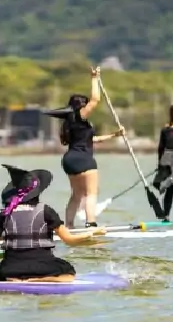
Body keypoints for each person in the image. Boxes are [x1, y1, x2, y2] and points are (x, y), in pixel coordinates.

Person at [0, 164, 104, 282]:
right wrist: (90, 234)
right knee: (69, 274)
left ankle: (17, 279)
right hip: (42, 264)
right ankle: (37, 279)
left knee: (1, 276)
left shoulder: (5, 214)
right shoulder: (46, 211)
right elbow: (69, 239)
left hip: (10, 268)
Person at [44, 67, 124, 228]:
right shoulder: (79, 115)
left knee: (77, 195)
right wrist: (94, 78)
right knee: (91, 193)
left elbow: (90, 139)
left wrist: (114, 135)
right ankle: (91, 223)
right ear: (81, 106)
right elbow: (96, 99)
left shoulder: (70, 122)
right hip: (84, 160)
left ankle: (69, 226)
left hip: (69, 160)